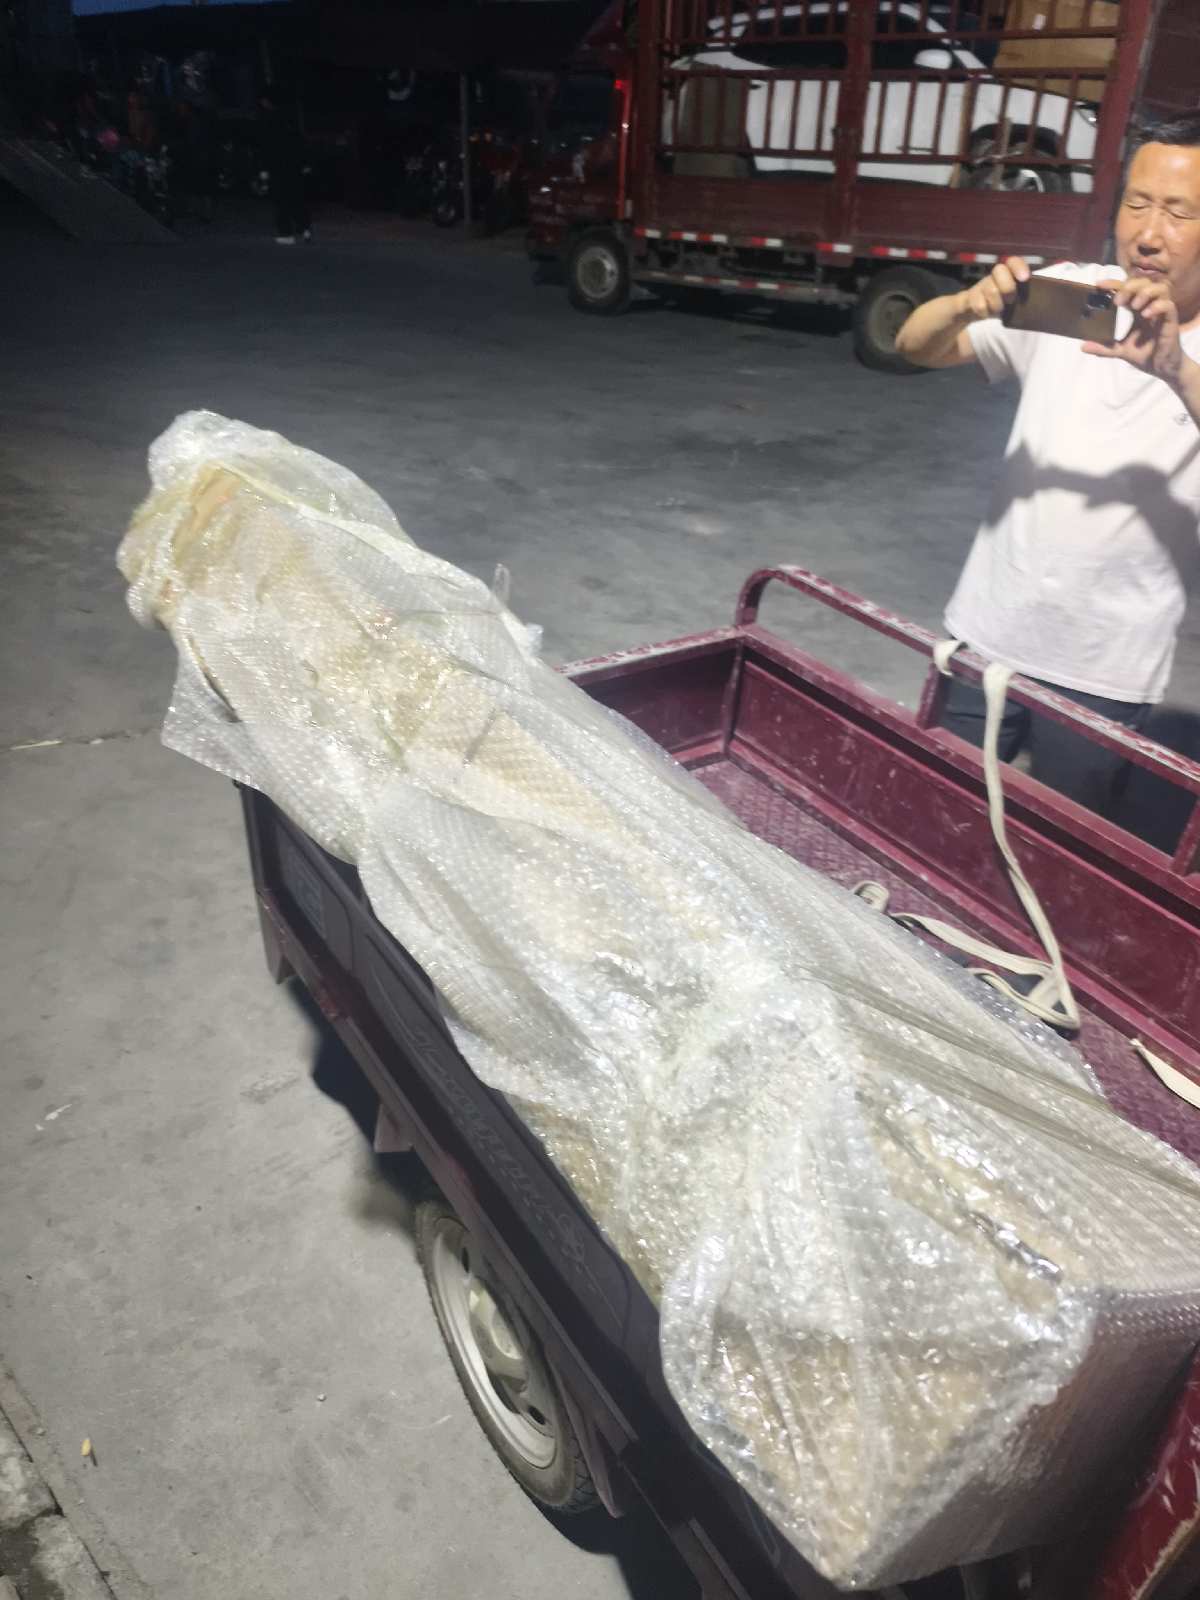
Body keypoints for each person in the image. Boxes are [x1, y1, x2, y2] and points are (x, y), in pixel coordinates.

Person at [895, 115, 1200, 816]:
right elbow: (915, 346)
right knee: (932, 816)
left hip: (1106, 669)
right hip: (985, 634)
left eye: (1178, 212)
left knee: (1059, 844)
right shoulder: (1075, 298)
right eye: (1136, 203)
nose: (1148, 233)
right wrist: (966, 304)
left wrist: (1177, 369)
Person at [258, 90, 310, 245]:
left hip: (278, 165)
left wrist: (264, 168)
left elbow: (267, 146)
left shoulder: (268, 120)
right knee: (296, 197)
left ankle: (286, 233)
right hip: (293, 164)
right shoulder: (290, 118)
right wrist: (304, 163)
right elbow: (299, 141)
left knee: (281, 200)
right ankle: (304, 228)